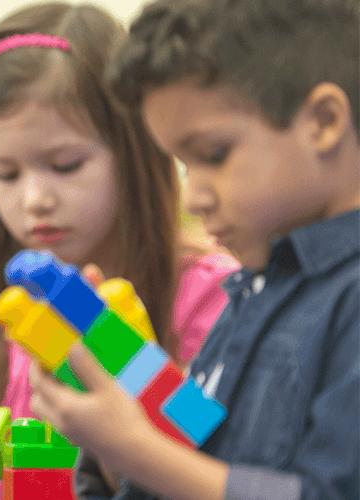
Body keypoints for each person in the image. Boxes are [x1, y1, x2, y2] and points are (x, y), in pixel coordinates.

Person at [0, 3, 239, 499]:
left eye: (65, 164)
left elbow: (214, 459)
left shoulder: (206, 294)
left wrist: (122, 441)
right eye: (6, 174)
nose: (35, 199)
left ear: (134, 149)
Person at [29, 0, 359, 499]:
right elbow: (195, 442)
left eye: (213, 155)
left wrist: (139, 450)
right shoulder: (256, 287)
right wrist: (123, 377)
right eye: (184, 166)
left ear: (324, 121)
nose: (195, 197)